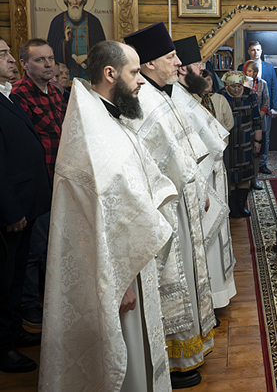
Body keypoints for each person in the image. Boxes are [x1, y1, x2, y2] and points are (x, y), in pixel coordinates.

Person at [40, 40, 175, 391]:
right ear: (110, 73)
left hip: (133, 258)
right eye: (135, 72)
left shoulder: (110, 117)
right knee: (125, 359)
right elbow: (95, 218)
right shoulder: (89, 132)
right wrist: (120, 282)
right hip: (114, 270)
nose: (141, 80)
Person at [122, 22, 215, 389]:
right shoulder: (144, 100)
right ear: (149, 64)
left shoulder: (162, 94)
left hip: (182, 204)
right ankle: (175, 358)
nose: (179, 63)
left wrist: (199, 187)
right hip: (165, 211)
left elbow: (187, 151)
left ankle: (190, 348)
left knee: (188, 274)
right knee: (173, 279)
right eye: (172, 56)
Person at [174, 36, 237, 310]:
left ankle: (217, 295)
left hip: (211, 176)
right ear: (182, 68)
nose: (203, 69)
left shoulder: (191, 96)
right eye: (197, 64)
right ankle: (209, 299)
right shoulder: (176, 99)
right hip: (198, 181)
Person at [0, 38, 51, 374]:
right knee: (4, 280)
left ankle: (14, 330)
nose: (10, 59)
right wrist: (10, 210)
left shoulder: (7, 95)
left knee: (17, 276)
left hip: (26, 203)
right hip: (11, 209)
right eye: (3, 54)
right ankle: (3, 347)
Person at [11, 38, 66, 330]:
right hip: (39, 181)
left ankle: (50, 301)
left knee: (53, 245)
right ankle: (28, 305)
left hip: (60, 178)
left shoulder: (55, 92)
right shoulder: (18, 95)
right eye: (40, 60)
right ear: (25, 64)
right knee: (34, 248)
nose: (48, 65)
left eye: (50, 59)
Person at [219, 71, 263, 217]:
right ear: (227, 85)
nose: (237, 89)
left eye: (239, 86)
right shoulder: (220, 95)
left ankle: (242, 205)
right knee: (231, 175)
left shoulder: (250, 95)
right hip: (228, 142)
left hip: (246, 140)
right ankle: (233, 208)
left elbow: (257, 119)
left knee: (245, 174)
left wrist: (258, 141)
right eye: (233, 86)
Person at [46, 0, 107, 80]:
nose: (75, 2)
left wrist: (88, 56)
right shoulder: (57, 21)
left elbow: (102, 50)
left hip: (90, 77)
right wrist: (65, 42)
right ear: (66, 0)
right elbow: (51, 53)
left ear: (83, 0)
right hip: (64, 79)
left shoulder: (93, 21)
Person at [239, 41, 277, 175]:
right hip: (246, 111)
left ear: (261, 51)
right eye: (253, 50)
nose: (256, 52)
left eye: (258, 50)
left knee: (264, 138)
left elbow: (273, 87)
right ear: (249, 52)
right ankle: (247, 163)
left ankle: (262, 163)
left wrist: (274, 107)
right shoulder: (241, 67)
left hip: (264, 110)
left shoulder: (269, 67)